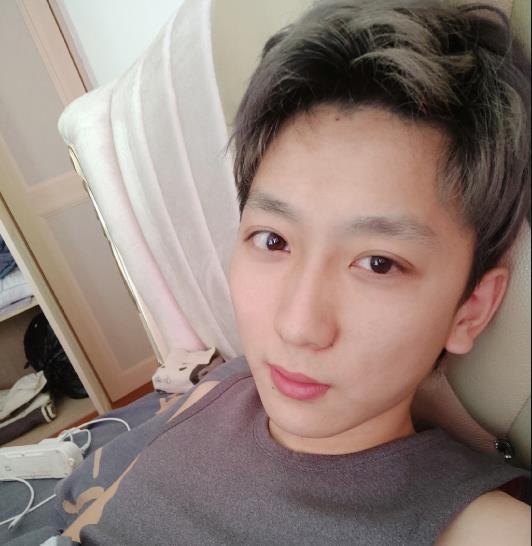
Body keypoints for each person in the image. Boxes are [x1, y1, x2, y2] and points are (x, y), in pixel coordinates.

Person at [49, 1, 530, 544]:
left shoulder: (477, 528)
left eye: (378, 263)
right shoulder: (226, 385)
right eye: (273, 240)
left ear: (471, 311)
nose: (296, 327)